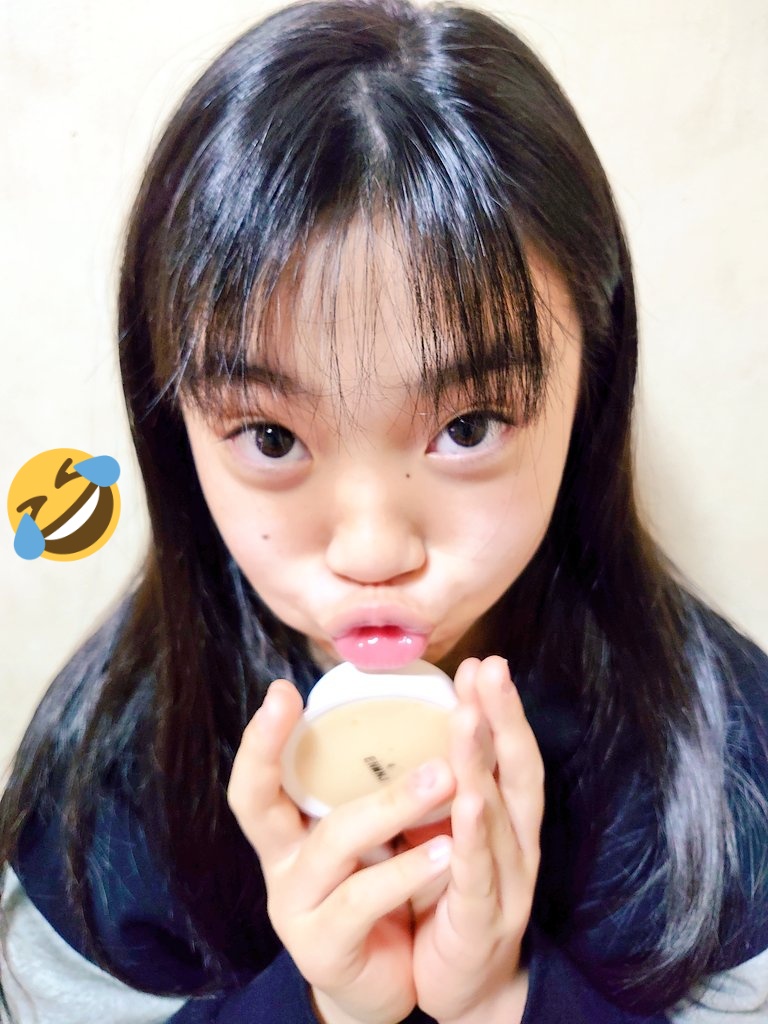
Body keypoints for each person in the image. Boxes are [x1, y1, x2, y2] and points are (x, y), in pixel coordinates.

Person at [1, 1, 766, 1021]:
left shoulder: (731, 774)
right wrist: (322, 1005)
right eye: (271, 437)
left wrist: (502, 999)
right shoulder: (98, 796)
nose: (371, 550)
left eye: (469, 425)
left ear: (593, 381)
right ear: (174, 426)